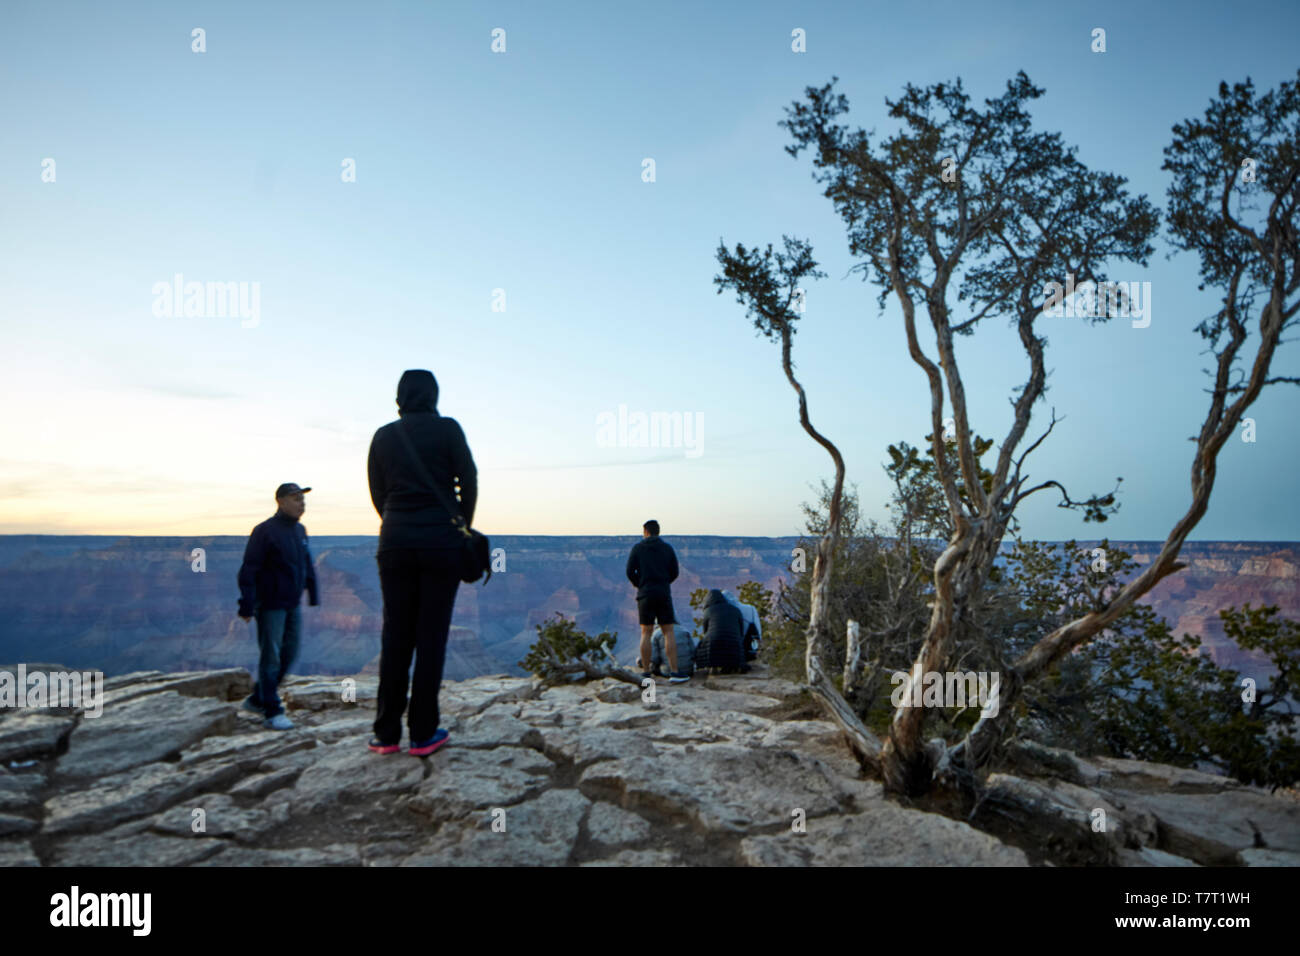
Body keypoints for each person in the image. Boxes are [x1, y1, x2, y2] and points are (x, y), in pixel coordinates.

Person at [366, 369, 477, 757]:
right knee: (431, 637)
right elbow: (469, 478)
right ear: (433, 395)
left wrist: (396, 521)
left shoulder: (383, 436)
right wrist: (461, 524)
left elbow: (377, 490)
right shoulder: (448, 429)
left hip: (394, 543)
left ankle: (385, 733)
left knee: (395, 635)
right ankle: (424, 732)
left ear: (400, 397)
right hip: (440, 545)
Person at [236, 483, 319, 730]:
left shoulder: (300, 530)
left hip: (291, 604)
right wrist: (247, 606)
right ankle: (272, 711)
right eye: (296, 499)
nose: (301, 503)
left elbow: (307, 563)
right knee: (270, 657)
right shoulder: (264, 531)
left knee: (290, 652)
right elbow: (249, 569)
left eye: (303, 499)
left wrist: (313, 593)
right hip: (270, 604)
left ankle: (256, 698)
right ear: (281, 501)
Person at [626, 520, 690, 683]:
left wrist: (639, 584)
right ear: (658, 532)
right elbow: (675, 571)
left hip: (645, 594)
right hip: (663, 593)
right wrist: (664, 583)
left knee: (646, 632)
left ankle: (646, 672)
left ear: (646, 532)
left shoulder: (638, 548)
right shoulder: (667, 548)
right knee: (668, 631)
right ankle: (675, 673)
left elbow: (629, 571)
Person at [695, 588, 746, 673]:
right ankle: (731, 667)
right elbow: (741, 631)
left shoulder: (708, 611)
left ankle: (712, 666)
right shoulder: (735, 610)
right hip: (734, 646)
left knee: (703, 644)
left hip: (714, 645)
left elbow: (705, 631)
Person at [721, 589, 762, 663]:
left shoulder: (726, 613)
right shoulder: (751, 608)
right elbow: (758, 629)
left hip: (735, 653)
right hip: (752, 648)